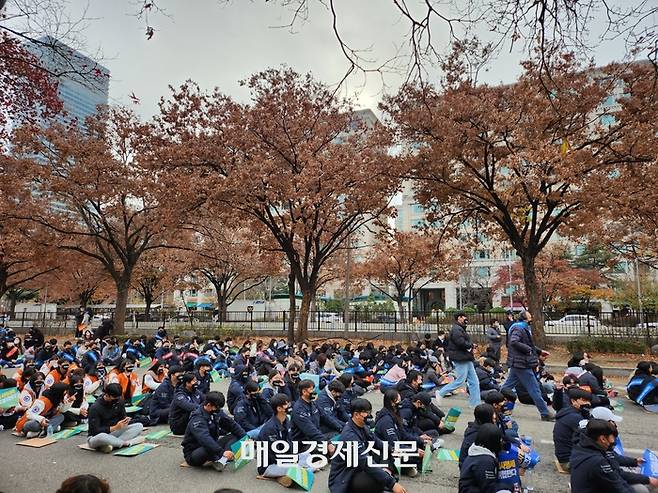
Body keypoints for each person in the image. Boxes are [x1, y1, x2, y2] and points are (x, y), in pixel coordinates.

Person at [328, 398, 407, 493]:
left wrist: (391, 449)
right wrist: (392, 483)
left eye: (369, 412)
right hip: (345, 476)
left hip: (358, 466)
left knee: (385, 452)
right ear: (356, 414)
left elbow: (375, 441)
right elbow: (366, 463)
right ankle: (386, 479)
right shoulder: (349, 436)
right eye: (366, 412)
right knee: (374, 479)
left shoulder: (362, 426)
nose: (369, 415)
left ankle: (386, 473)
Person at [502, 310, 555, 421]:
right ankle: (545, 413)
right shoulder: (519, 328)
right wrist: (529, 350)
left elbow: (527, 344)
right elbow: (514, 342)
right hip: (522, 363)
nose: (531, 317)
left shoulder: (521, 327)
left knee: (507, 387)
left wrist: (539, 352)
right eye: (530, 315)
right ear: (525, 318)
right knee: (534, 389)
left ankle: (492, 403)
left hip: (518, 363)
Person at [258, 393, 318, 486]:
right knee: (297, 467)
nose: (290, 406)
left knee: (308, 455)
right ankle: (302, 471)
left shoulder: (286, 420)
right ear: (279, 409)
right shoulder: (270, 429)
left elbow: (289, 443)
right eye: (287, 405)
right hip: (270, 464)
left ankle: (287, 475)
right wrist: (292, 460)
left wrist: (295, 457)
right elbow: (276, 454)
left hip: (285, 459)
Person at [182, 391, 246, 470]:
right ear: (209, 405)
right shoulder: (197, 418)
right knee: (208, 447)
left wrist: (245, 437)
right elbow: (205, 439)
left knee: (235, 435)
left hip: (213, 444)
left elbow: (231, 424)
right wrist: (222, 452)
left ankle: (222, 460)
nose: (218, 410)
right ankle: (220, 458)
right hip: (194, 453)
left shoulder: (215, 411)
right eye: (217, 407)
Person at [570, 419, 638, 493]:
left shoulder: (581, 447)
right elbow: (616, 485)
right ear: (602, 439)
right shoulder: (597, 461)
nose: (614, 441)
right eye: (613, 438)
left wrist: (635, 462)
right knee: (641, 489)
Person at [374, 389, 426, 477]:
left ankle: (403, 466)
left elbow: (404, 434)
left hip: (397, 447)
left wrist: (420, 440)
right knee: (415, 456)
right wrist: (414, 450)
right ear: (392, 403)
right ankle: (400, 468)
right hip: (386, 451)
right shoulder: (386, 420)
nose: (400, 403)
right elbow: (394, 444)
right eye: (398, 401)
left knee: (421, 446)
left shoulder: (395, 415)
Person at [436, 312, 481, 408]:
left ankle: (475, 403)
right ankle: (440, 393)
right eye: (464, 317)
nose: (466, 318)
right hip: (460, 357)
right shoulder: (456, 329)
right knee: (460, 380)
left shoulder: (460, 329)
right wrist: (471, 345)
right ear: (459, 318)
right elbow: (460, 342)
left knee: (474, 381)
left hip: (465, 357)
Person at [87, 383, 144, 453]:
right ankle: (126, 443)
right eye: (114, 399)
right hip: (97, 436)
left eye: (118, 398)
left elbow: (122, 417)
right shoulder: (95, 408)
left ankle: (112, 444)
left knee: (139, 426)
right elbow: (94, 431)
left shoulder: (119, 401)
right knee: (102, 437)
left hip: (114, 433)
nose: (116, 401)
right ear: (107, 395)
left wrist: (126, 420)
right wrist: (115, 427)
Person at [290, 379, 336, 453]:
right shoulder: (298, 409)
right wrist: (328, 443)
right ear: (304, 392)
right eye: (311, 389)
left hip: (316, 436)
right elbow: (310, 431)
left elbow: (326, 417)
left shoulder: (313, 403)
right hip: (304, 443)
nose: (314, 392)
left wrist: (341, 428)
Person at [553, 388, 593, 471]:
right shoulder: (574, 417)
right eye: (584, 400)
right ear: (573, 401)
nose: (588, 403)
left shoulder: (570, 411)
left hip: (567, 458)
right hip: (568, 462)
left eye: (589, 401)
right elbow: (591, 435)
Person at [458, 423, 503, 493]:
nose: (501, 442)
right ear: (493, 441)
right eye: (499, 440)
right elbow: (488, 488)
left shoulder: (476, 450)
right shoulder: (485, 461)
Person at [459, 403, 496, 468]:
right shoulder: (478, 434)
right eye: (492, 414)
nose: (495, 416)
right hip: (471, 468)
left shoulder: (477, 427)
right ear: (486, 418)